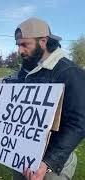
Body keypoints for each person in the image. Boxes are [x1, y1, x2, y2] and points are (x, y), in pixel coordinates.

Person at [11, 17, 85, 180]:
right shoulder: (27, 69)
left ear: (43, 41)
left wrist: (48, 162)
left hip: (51, 167)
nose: (20, 51)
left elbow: (78, 124)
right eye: (18, 45)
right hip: (23, 157)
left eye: (24, 44)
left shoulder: (70, 73)